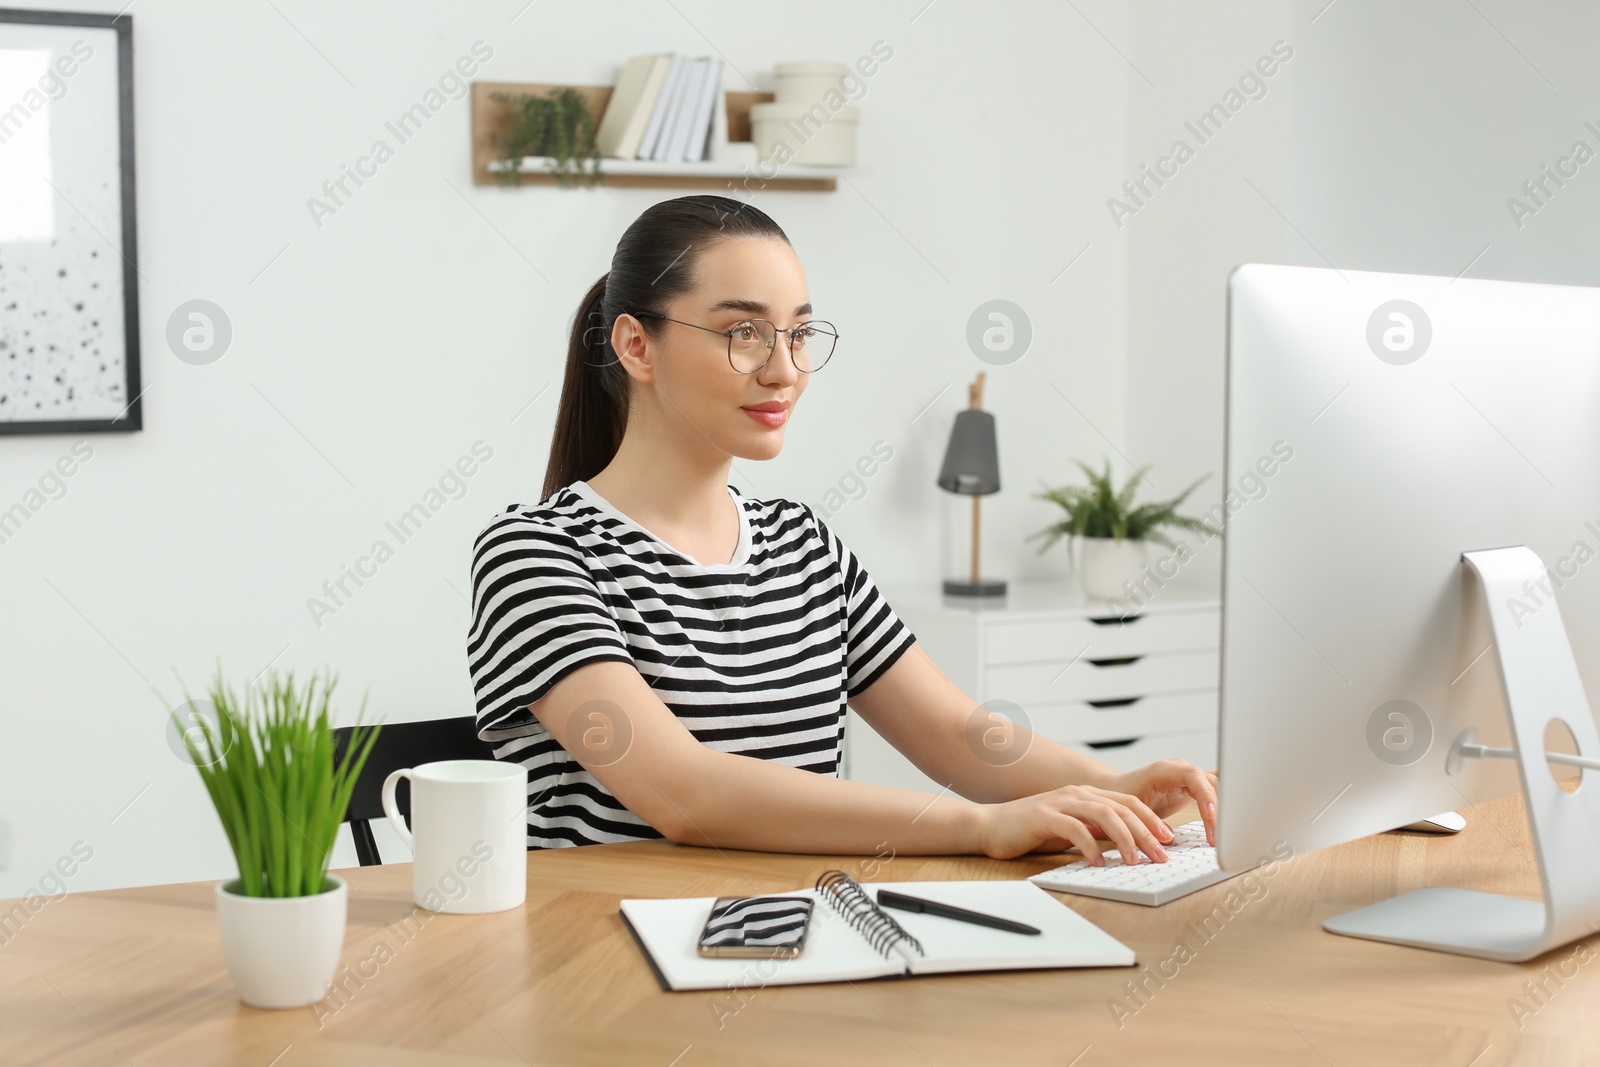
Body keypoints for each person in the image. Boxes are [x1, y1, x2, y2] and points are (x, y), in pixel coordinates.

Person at [466, 193, 1217, 863]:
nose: (784, 371)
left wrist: (1113, 785)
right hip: (601, 966)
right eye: (744, 334)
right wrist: (982, 826)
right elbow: (684, 793)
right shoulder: (536, 556)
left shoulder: (803, 547)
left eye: (798, 335)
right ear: (636, 345)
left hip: (795, 940)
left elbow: (959, 734)